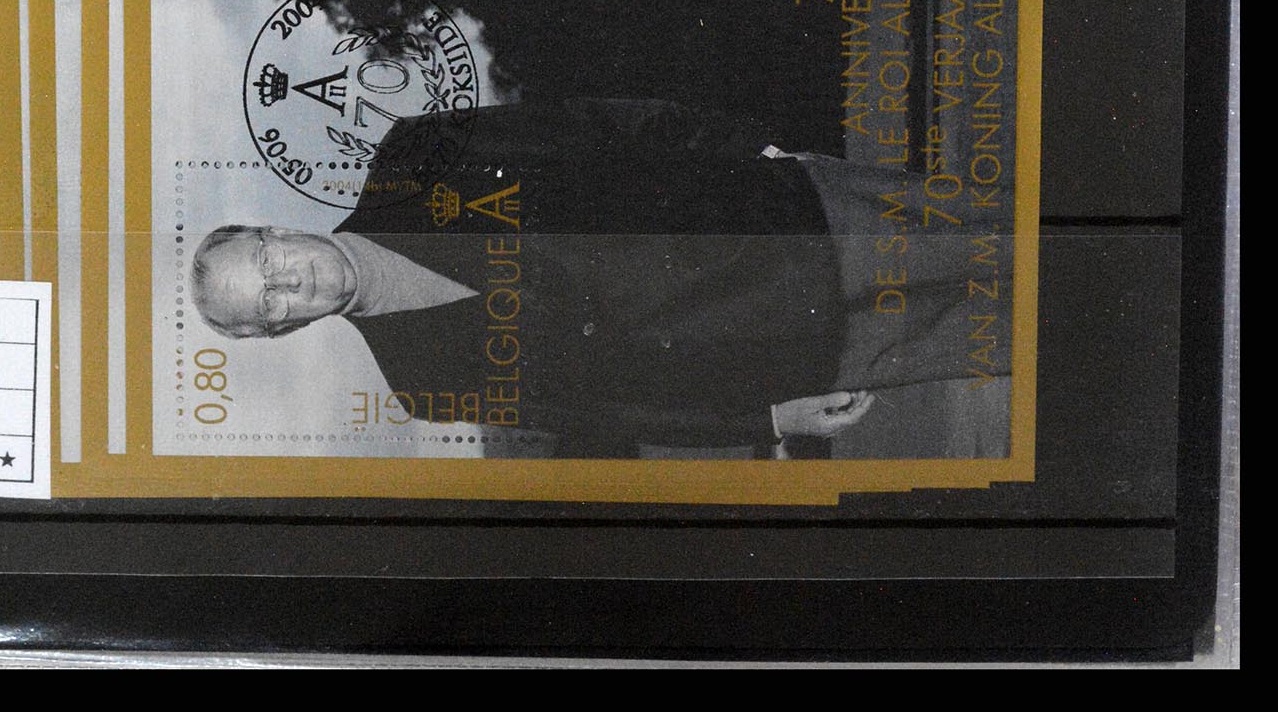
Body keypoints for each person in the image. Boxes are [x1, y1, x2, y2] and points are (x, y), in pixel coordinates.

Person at [190, 97, 1004, 455]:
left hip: (785, 210)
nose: (287, 284)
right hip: (794, 348)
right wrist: (768, 417)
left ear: (275, 229)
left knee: (1019, 234)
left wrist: (750, 150)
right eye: (269, 302)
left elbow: (603, 123)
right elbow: (610, 409)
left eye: (266, 264)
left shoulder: (414, 156)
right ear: (277, 331)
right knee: (1017, 333)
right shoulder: (423, 384)